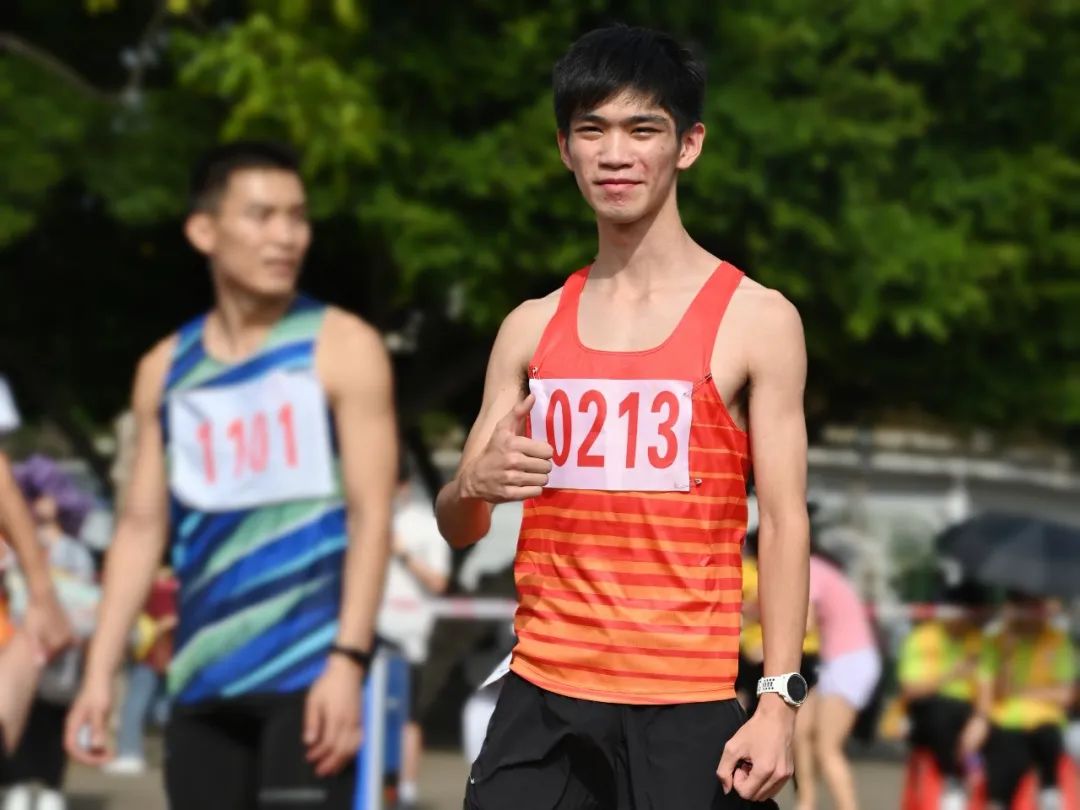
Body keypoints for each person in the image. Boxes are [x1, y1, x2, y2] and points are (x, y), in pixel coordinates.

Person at [436, 25, 810, 808]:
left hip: (685, 705)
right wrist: (473, 483)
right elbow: (459, 524)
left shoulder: (757, 320)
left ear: (688, 145)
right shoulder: (529, 327)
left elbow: (782, 521)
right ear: (564, 149)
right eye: (592, 130)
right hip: (542, 699)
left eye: (643, 129)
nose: (615, 154)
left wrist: (779, 699)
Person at [63, 141, 398, 809]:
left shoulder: (343, 347)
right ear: (204, 231)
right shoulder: (165, 369)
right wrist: (99, 673)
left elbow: (372, 517)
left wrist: (349, 660)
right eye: (262, 215)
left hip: (309, 674)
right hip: (202, 679)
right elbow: (140, 528)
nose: (286, 237)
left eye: (297, 217)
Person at [1, 493, 96, 810]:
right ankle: (18, 782)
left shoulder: (75, 550)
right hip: (20, 637)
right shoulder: (13, 540)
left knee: (54, 717)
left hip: (59, 647)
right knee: (23, 719)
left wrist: (45, 594)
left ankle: (51, 784)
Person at [375, 464, 451, 810]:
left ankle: (405, 790)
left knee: (407, 716)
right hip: (372, 634)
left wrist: (403, 554)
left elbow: (439, 582)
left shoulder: (426, 525)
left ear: (403, 485)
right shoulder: (370, 518)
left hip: (409, 640)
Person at [791, 550, 881, 810]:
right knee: (800, 727)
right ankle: (806, 803)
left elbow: (805, 623)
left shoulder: (808, 569)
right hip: (838, 663)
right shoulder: (819, 568)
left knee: (827, 747)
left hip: (848, 662)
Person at [971, 591, 1075, 810]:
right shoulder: (995, 641)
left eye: (1036, 607)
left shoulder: (1059, 641)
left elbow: (1065, 696)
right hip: (1005, 722)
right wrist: (1006, 657)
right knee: (1002, 766)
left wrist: (1020, 691)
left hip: (1045, 723)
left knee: (1049, 738)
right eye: (1024, 607)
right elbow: (993, 692)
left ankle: (1049, 791)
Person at [896, 581, 986, 810]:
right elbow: (910, 690)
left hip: (969, 713)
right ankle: (952, 779)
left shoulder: (981, 641)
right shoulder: (922, 638)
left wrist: (980, 719)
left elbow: (989, 691)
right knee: (941, 712)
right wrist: (951, 675)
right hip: (929, 714)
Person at [104, 566, 177, 775]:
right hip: (168, 654)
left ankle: (129, 753)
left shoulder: (150, 587)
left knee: (134, 704)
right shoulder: (176, 586)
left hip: (149, 654)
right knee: (162, 706)